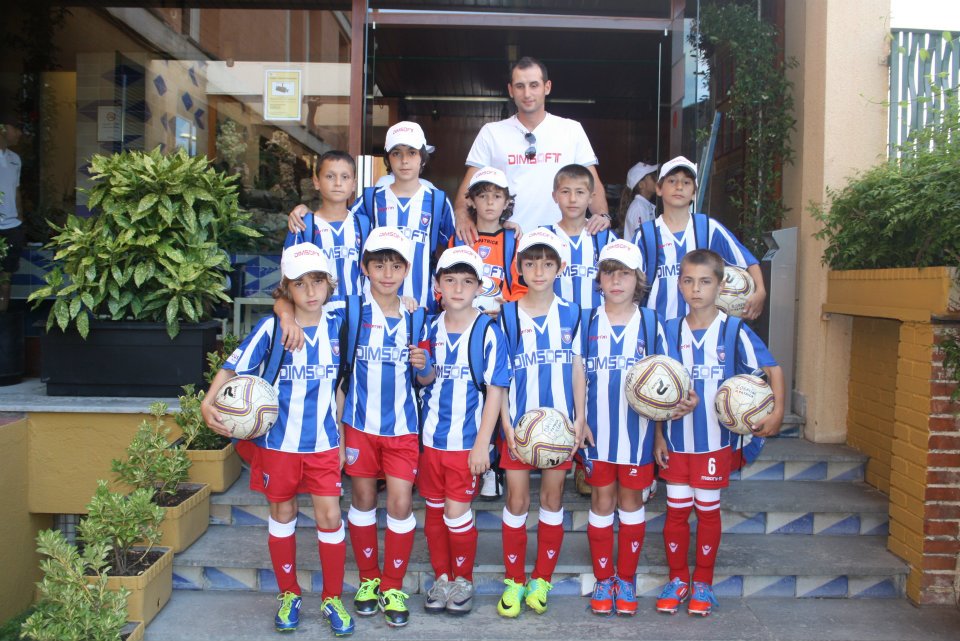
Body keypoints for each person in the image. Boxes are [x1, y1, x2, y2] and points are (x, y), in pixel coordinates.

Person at [201, 243, 354, 636]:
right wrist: (207, 401)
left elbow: (342, 382)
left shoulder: (341, 323)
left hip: (322, 444)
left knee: (330, 517)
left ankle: (332, 598)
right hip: (278, 445)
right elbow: (233, 367)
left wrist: (339, 436)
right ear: (286, 288)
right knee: (283, 514)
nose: (310, 291)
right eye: (299, 284)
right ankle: (289, 594)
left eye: (317, 281)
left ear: (329, 283)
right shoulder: (272, 329)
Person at [653, 249, 784, 617]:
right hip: (676, 440)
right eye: (689, 281)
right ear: (679, 285)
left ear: (721, 285)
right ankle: (678, 580)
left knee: (708, 512)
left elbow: (773, 369)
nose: (696, 289)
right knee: (676, 512)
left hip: (715, 442)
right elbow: (656, 388)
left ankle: (703, 584)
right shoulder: (669, 331)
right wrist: (658, 435)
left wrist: (777, 412)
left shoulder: (733, 329)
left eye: (705, 281)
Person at [580, 239, 694, 617]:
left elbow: (668, 382)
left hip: (638, 433)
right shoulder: (587, 320)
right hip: (596, 433)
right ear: (599, 279)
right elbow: (577, 375)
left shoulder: (650, 321)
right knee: (601, 502)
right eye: (609, 273)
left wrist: (660, 433)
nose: (616, 281)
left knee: (631, 503)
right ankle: (603, 579)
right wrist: (579, 420)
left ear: (638, 280)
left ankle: (625, 579)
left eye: (625, 274)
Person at [336, 227, 432, 628]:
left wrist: (424, 366)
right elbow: (339, 374)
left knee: (400, 503)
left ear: (407, 269)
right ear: (365, 268)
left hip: (403, 428)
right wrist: (339, 437)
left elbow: (426, 378)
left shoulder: (417, 316)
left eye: (395, 266)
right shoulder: (350, 311)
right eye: (379, 265)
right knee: (361, 499)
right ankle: (368, 580)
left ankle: (392, 586)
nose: (387, 273)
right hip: (359, 425)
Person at [496, 227, 587, 618]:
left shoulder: (573, 313)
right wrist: (505, 427)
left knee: (552, 499)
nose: (538, 271)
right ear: (519, 267)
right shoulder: (506, 314)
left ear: (559, 267)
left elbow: (579, 369)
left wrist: (581, 419)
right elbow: (499, 378)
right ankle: (514, 581)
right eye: (531, 263)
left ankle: (541, 580)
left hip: (560, 430)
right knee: (516, 500)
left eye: (547, 264)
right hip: (519, 428)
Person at [417, 246, 510, 616]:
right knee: (433, 512)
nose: (458, 288)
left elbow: (496, 390)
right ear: (438, 285)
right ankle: (442, 578)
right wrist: (422, 367)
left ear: (478, 287)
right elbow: (424, 380)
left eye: (467, 281)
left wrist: (482, 445)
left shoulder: (487, 331)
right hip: (429, 441)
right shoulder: (428, 328)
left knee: (456, 513)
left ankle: (463, 579)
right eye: (450, 280)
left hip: (465, 443)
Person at [287, 121, 454, 311]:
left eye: (412, 153)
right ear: (387, 158)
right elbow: (338, 218)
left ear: (422, 157)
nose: (404, 160)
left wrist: (444, 295)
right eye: (396, 153)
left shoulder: (437, 201)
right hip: (375, 307)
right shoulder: (370, 199)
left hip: (422, 305)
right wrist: (307, 213)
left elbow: (454, 250)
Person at [454, 57, 611, 239]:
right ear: (511, 90)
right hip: (509, 240)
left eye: (534, 85)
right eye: (520, 86)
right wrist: (462, 215)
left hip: (561, 240)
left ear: (547, 87)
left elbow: (592, 182)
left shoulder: (572, 130)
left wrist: (603, 215)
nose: (527, 93)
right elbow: (469, 186)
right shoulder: (491, 132)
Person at [632, 156, 766, 321]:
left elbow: (747, 261)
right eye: (672, 181)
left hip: (701, 327)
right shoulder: (646, 235)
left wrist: (760, 291)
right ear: (659, 188)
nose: (679, 187)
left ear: (694, 193)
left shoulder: (708, 228)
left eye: (686, 182)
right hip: (659, 328)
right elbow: (629, 279)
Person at [283, 150, 365, 301]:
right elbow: (288, 276)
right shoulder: (303, 225)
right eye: (330, 176)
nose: (338, 183)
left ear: (354, 184)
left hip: (357, 310)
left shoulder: (364, 224)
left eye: (345, 177)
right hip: (318, 310)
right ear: (316, 181)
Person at [544, 164, 617, 309]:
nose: (572, 199)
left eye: (580, 192)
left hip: (596, 318)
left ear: (591, 197)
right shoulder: (545, 237)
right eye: (565, 192)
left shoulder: (605, 237)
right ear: (555, 196)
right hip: (556, 318)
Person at [0, 113, 23, 311]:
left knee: (7, 276)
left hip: (12, 226)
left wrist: (20, 218)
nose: (19, 133)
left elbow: (16, 191)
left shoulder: (15, 159)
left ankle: (3, 313)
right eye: (16, 128)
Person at [620, 161, 658, 242]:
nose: (656, 179)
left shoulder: (643, 205)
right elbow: (642, 239)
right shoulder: (639, 207)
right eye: (652, 177)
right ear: (641, 185)